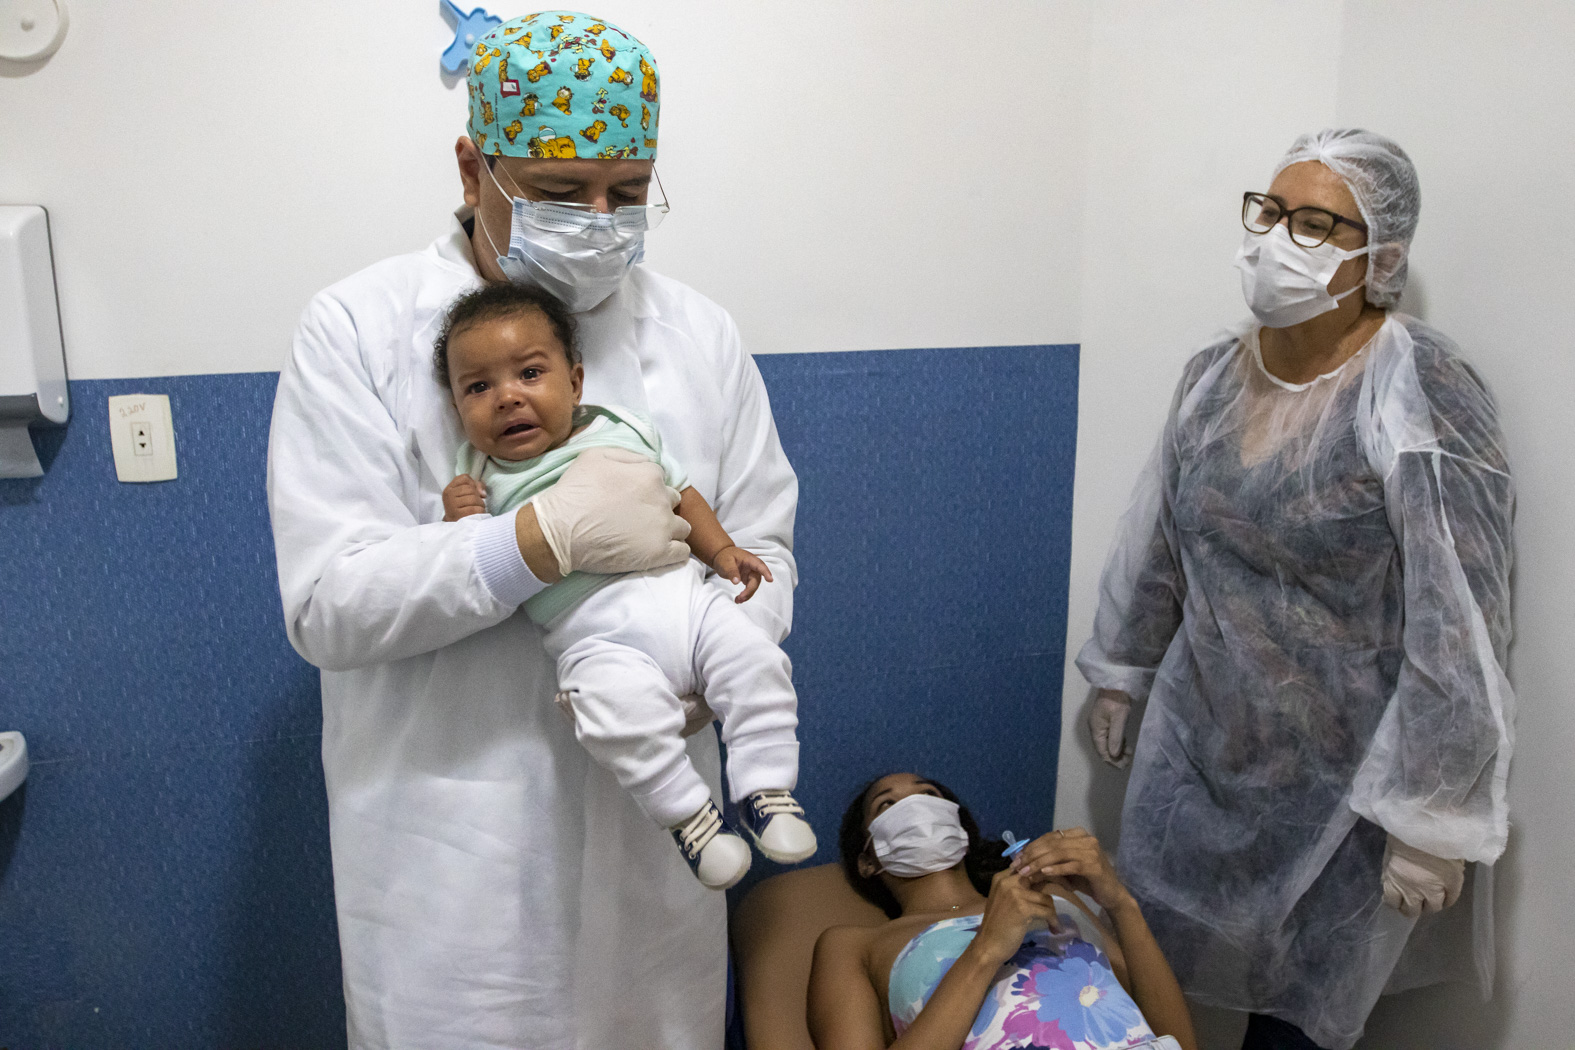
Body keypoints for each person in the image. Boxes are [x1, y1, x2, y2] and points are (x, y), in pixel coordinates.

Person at [266, 11, 798, 1048]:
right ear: (475, 170)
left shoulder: (698, 335)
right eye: (560, 192)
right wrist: (533, 544)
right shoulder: (357, 329)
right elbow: (329, 605)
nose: (600, 221)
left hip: (660, 853)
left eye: (628, 194)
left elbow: (762, 548)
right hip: (454, 867)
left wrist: (715, 655)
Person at [1078, 129, 1514, 1050]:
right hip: (1198, 755)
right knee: (1145, 1000)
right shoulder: (1211, 378)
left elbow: (1460, 610)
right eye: (1270, 211)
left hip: (1343, 791)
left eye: (1314, 223)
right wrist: (1122, 666)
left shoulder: (1418, 387)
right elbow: (1163, 538)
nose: (1278, 238)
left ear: (1380, 256)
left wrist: (1434, 809)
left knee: (1296, 1027)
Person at [434, 281, 814, 889]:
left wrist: (721, 551)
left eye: (530, 373)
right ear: (456, 406)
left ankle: (765, 789)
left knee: (755, 660)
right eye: (477, 387)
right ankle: (690, 817)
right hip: (593, 635)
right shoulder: (478, 476)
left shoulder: (623, 429)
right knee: (613, 715)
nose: (507, 397)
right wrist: (458, 514)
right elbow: (469, 562)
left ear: (575, 382)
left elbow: (683, 495)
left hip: (684, 600)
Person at [808, 772, 1198, 1050]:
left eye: (928, 795)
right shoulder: (856, 945)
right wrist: (986, 950)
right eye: (887, 805)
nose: (915, 807)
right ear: (867, 861)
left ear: (960, 827)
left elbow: (1176, 1039)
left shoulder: (1050, 894)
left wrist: (1121, 904)